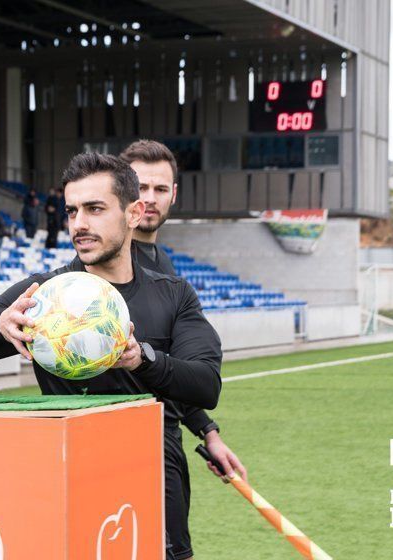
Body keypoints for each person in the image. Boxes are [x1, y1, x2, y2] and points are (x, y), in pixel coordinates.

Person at [0, 153, 222, 560]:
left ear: (133, 213)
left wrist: (142, 359)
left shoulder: (173, 293)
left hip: (154, 479)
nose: (79, 224)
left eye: (95, 209)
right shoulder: (45, 296)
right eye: (72, 211)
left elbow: (205, 384)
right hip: (69, 478)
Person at [121, 139, 247, 558]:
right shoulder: (103, 268)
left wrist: (207, 431)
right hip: (123, 447)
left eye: (160, 189)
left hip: (167, 444)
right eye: (140, 187)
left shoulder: (166, 269)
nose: (149, 199)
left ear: (174, 194)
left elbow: (172, 369)